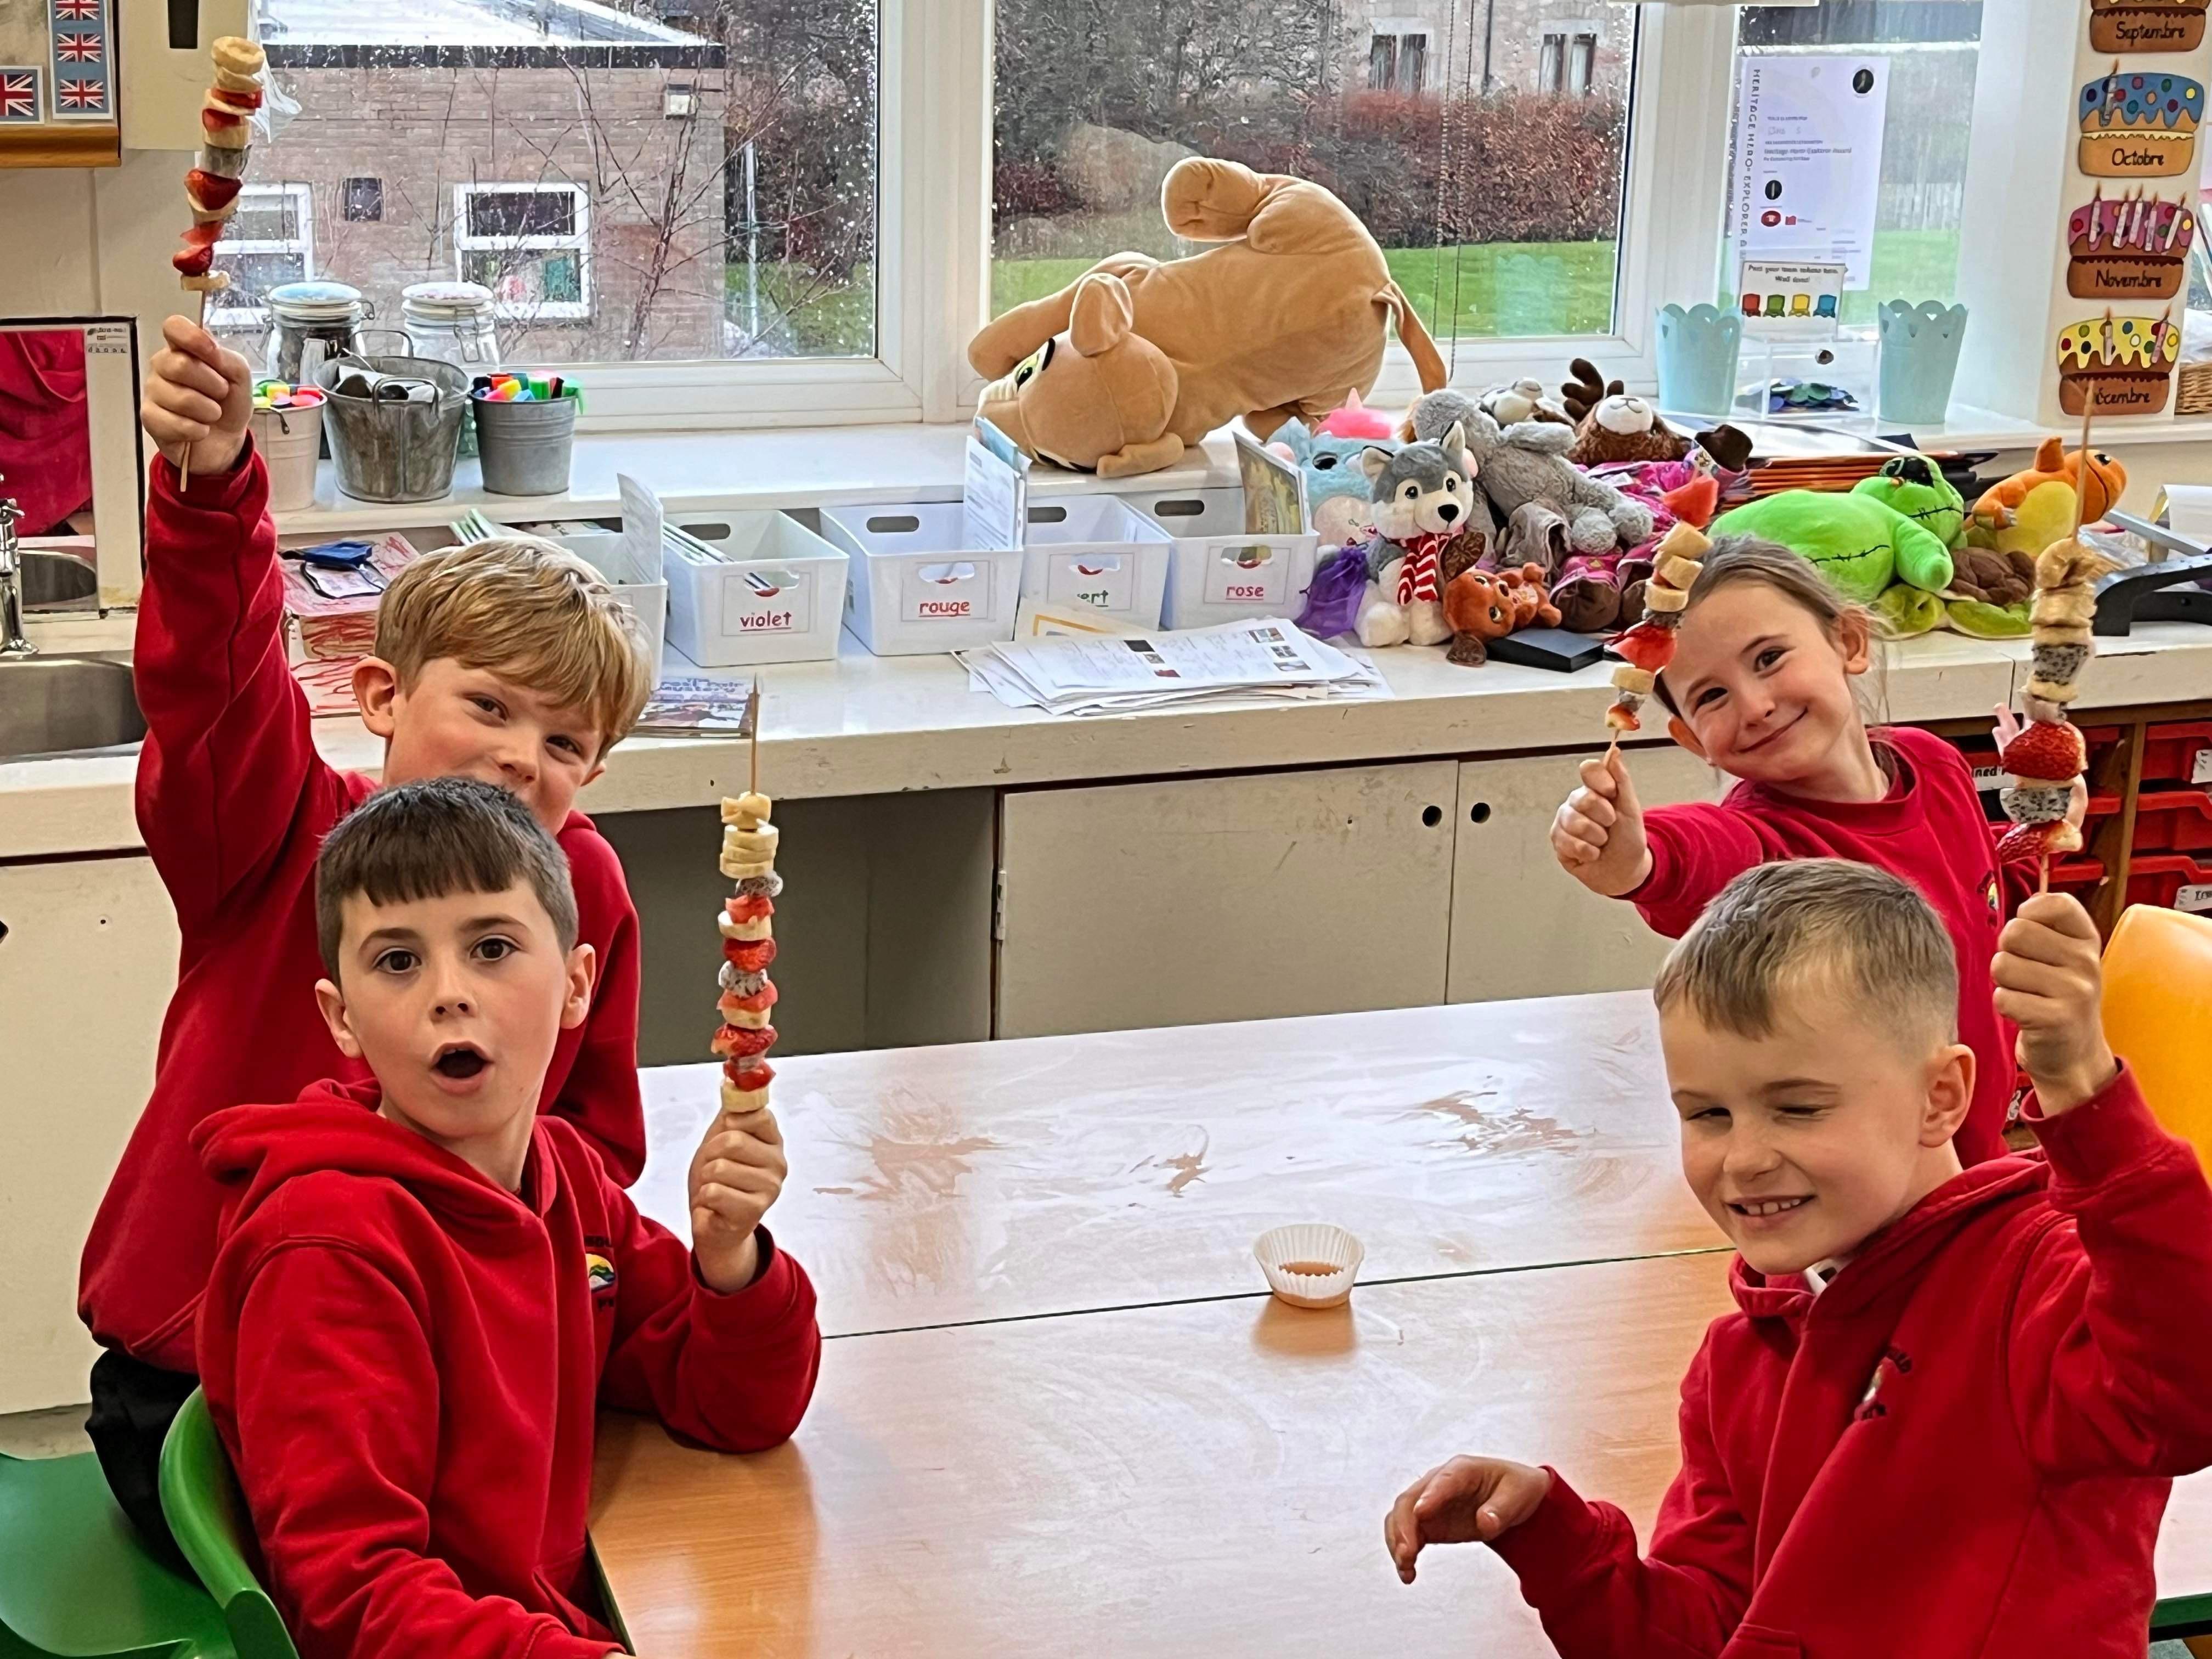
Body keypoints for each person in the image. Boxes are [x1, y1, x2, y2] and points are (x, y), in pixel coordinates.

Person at [79, 317, 653, 1561]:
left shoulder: (583, 888)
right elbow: (217, 683)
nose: (520, 756)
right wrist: (215, 489)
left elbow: (595, 1151)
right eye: (489, 706)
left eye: (562, 741)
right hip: (197, 1383)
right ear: (384, 698)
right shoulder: (277, 827)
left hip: (436, 1353)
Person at [1384, 860, 2212, 1657]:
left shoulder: (2037, 1287)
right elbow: (1703, 1634)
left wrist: (2086, 1095)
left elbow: (2185, 1394)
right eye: (1708, 1114)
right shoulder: (1738, 1364)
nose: (1744, 1159)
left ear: (1941, 1098)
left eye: (1798, 1108)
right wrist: (1553, 1535)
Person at [195, 777, 820, 1658]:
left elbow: (737, 1410)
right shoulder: (328, 1253)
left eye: (491, 947)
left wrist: (730, 1262)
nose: (449, 993)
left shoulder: (565, 1178)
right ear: (342, 1018)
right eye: (398, 961)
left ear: (576, 986)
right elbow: (350, 1598)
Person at [1549, 537, 2074, 1166]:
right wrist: (1636, 863)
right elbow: (1698, 851)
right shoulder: (1770, 851)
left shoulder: (1935, 764)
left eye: (1769, 658)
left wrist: (2037, 833)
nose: (1755, 706)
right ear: (1693, 740)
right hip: (1865, 1193)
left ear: (1848, 642)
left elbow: (1982, 905)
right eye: (1712, 696)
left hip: (1977, 1160)